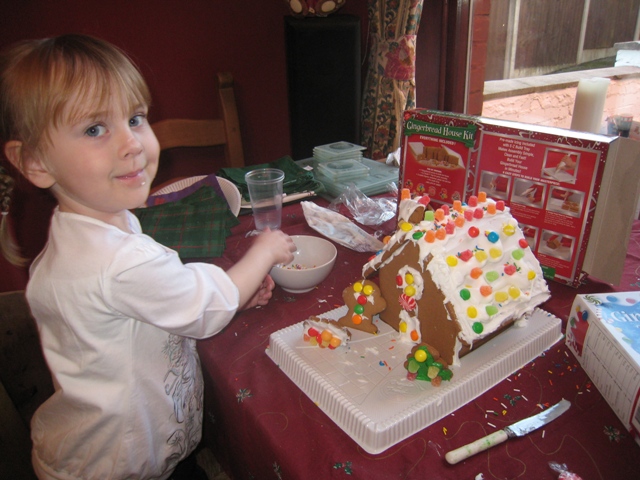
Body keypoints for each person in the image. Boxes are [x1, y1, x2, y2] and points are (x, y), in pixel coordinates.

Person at [0, 34, 296, 480]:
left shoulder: (92, 227)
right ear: (36, 162)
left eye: (135, 118)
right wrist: (262, 251)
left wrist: (235, 290)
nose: (132, 143)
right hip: (118, 466)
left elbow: (154, 296)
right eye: (95, 129)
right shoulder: (115, 260)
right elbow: (202, 306)